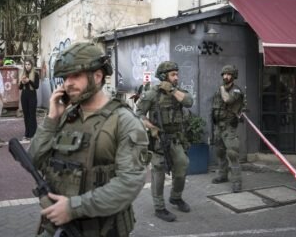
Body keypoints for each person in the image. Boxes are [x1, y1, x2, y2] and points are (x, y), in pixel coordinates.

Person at [28, 42, 150, 237]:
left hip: (103, 230)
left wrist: (73, 208)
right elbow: (34, 161)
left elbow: (129, 183)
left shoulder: (124, 121)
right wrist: (51, 119)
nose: (68, 83)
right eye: (65, 77)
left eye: (75, 75)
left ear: (97, 76)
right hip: (57, 229)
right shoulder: (64, 116)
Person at [135, 61, 193, 222]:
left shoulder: (178, 92)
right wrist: (151, 127)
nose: (177, 77)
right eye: (173, 74)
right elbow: (138, 114)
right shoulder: (152, 94)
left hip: (175, 139)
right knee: (158, 172)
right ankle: (159, 207)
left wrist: (173, 90)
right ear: (163, 76)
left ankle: (175, 197)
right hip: (158, 139)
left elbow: (189, 102)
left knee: (182, 164)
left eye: (177, 74)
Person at [211, 65, 245, 193]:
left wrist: (221, 89)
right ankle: (223, 175)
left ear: (233, 76)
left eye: (229, 74)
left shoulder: (236, 91)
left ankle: (237, 182)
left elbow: (227, 100)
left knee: (232, 153)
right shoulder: (219, 90)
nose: (225, 76)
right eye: (224, 74)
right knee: (220, 152)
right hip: (218, 126)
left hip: (229, 127)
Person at [19, 59, 40, 140]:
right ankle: (27, 133)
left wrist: (29, 81)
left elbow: (36, 86)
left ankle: (33, 133)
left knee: (32, 115)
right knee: (26, 115)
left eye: (29, 64)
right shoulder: (22, 73)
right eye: (26, 64)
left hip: (32, 95)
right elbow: (20, 87)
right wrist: (22, 82)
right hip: (24, 95)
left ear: (32, 65)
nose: (27, 66)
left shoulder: (35, 74)